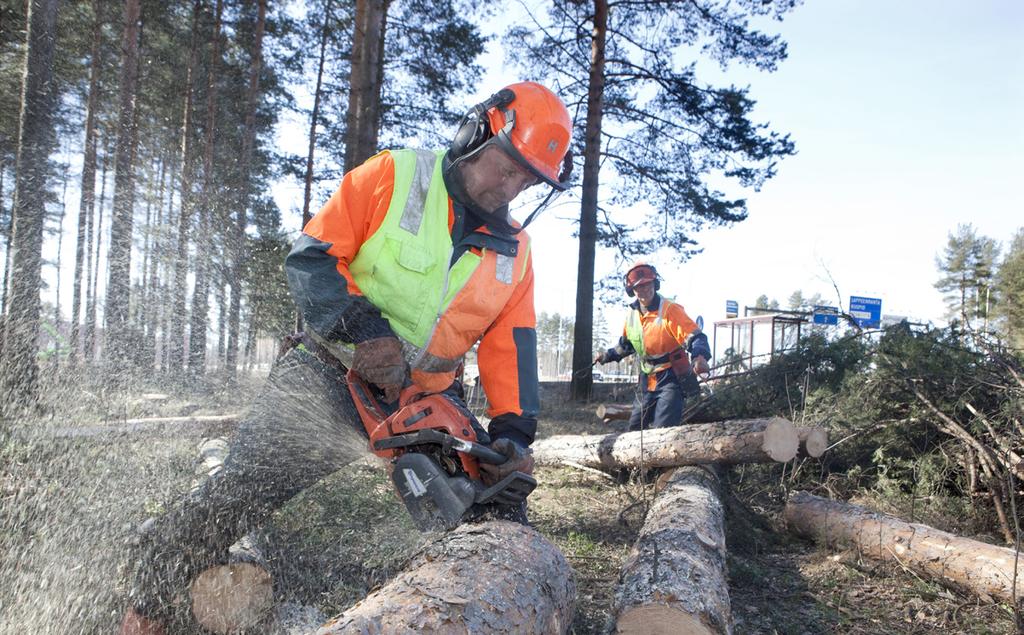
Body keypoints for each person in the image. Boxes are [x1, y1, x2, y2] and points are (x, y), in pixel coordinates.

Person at [119, 81, 573, 634]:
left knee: (497, 510)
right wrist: (362, 330)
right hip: (330, 373)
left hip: (424, 400)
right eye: (506, 166)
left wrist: (513, 434)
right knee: (240, 491)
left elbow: (512, 346)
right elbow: (311, 259)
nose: (510, 185)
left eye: (526, 178)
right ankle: (148, 595)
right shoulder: (395, 176)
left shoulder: (516, 252)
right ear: (476, 133)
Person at [593, 262, 711, 431]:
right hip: (646, 379)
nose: (644, 290)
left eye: (647, 284)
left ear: (654, 284)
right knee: (634, 428)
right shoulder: (632, 314)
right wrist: (607, 355)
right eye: (638, 287)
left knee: (662, 430)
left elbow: (695, 336)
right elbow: (626, 344)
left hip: (671, 377)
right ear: (631, 290)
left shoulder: (670, 310)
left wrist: (700, 356)